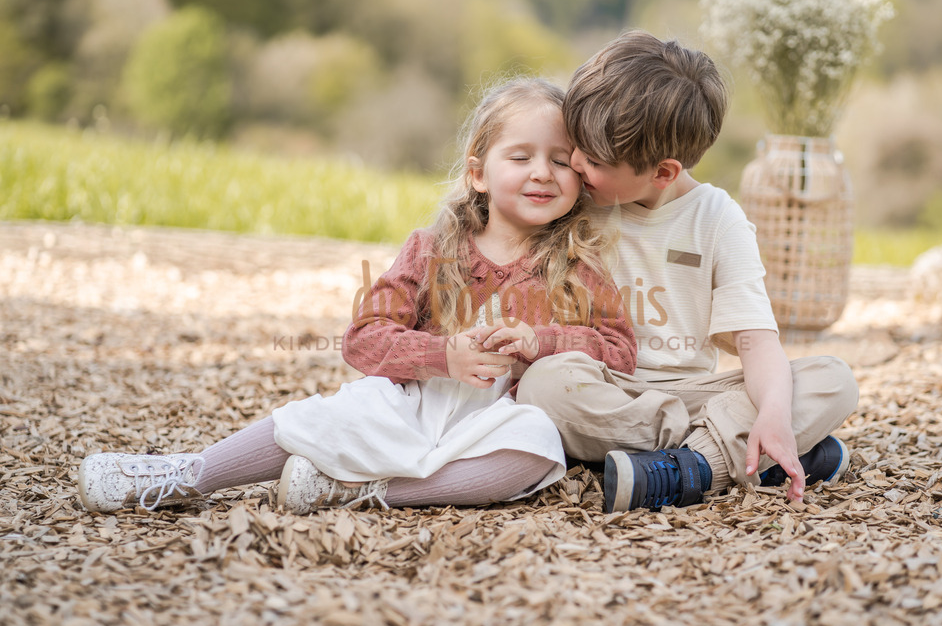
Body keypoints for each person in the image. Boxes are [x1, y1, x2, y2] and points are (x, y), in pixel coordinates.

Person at [78, 77, 637, 515]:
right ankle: (180, 475)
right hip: (417, 397)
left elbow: (620, 348)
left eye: (561, 160)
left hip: (497, 416)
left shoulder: (578, 263)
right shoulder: (432, 248)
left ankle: (366, 491)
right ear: (478, 174)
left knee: (537, 446)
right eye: (521, 157)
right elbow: (363, 338)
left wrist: (539, 340)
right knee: (327, 416)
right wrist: (443, 355)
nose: (543, 173)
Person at [515, 30, 859, 512]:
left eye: (593, 161)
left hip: (697, 393)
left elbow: (755, 343)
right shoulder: (579, 201)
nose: (573, 164)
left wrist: (776, 413)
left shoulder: (718, 220)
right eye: (577, 148)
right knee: (544, 386)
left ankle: (690, 468)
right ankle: (729, 456)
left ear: (663, 172)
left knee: (833, 379)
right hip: (609, 385)